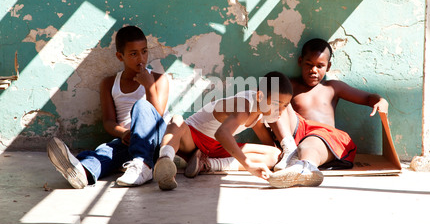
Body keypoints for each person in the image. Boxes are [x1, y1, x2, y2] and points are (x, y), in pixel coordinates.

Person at [46, 25, 170, 188]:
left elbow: (158, 115)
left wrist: (149, 87)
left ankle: (143, 165)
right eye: (133, 54)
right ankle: (83, 171)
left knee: (141, 105)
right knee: (106, 152)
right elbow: (109, 122)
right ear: (120, 56)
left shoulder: (159, 80)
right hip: (127, 142)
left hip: (153, 142)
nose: (141, 58)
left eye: (144, 51)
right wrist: (124, 133)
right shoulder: (110, 83)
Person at [268, 38, 389, 188]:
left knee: (307, 146)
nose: (313, 70)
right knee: (274, 93)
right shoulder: (291, 85)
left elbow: (368, 97)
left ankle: (306, 168)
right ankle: (290, 152)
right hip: (295, 134)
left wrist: (381, 100)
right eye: (309, 64)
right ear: (300, 61)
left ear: (328, 66)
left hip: (324, 135)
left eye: (320, 66)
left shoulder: (332, 87)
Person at [153, 71, 293, 191]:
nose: (279, 111)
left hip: (216, 147)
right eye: (276, 104)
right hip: (193, 138)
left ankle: (207, 165)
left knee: (275, 154)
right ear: (259, 96)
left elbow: (266, 141)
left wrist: (281, 160)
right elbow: (221, 133)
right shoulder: (244, 106)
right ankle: (165, 161)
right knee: (177, 121)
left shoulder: (260, 112)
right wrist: (248, 165)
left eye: (284, 106)